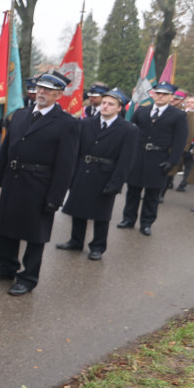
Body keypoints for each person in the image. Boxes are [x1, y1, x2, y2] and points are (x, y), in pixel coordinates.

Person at [0, 70, 79, 295]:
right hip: (13, 180)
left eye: (48, 90)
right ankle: (6, 266)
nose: (41, 92)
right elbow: (6, 150)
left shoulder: (66, 124)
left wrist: (55, 197)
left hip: (39, 185)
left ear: (58, 94)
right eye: (40, 88)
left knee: (35, 234)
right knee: (7, 228)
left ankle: (28, 277)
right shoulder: (20, 115)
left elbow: (66, 165)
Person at [56, 88, 137, 260]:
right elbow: (76, 151)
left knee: (101, 214)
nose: (105, 107)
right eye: (104, 103)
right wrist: (71, 175)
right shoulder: (86, 124)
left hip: (105, 174)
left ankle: (97, 246)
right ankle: (75, 241)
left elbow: (126, 160)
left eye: (110, 104)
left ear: (119, 108)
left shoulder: (128, 129)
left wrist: (116, 183)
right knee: (78, 208)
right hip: (83, 170)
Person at [117, 81, 188, 236]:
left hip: (159, 157)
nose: (160, 96)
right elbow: (130, 132)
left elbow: (179, 140)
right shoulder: (142, 111)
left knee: (152, 194)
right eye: (158, 93)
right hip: (138, 155)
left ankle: (146, 223)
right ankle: (128, 219)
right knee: (133, 190)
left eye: (164, 94)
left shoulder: (179, 115)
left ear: (171, 97)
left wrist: (172, 161)